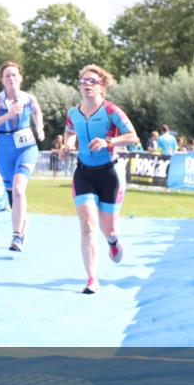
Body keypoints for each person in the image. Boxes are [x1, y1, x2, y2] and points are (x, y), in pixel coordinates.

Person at [63, 65, 138, 295]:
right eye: (83, 81)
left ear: (102, 86)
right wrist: (67, 145)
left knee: (109, 229)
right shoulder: (73, 113)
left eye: (92, 81)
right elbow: (70, 131)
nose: (87, 84)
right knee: (87, 225)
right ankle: (92, 278)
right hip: (83, 173)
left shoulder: (111, 110)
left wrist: (109, 142)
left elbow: (133, 137)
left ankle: (113, 242)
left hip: (109, 175)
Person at [0, 61, 43, 252]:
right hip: (4, 148)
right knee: (11, 193)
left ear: (20, 78)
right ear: (2, 80)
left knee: (18, 189)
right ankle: (21, 219)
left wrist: (39, 128)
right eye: (7, 75)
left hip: (26, 148)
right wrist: (7, 115)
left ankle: (17, 236)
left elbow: (37, 112)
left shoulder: (29, 98)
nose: (11, 78)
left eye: (14, 74)